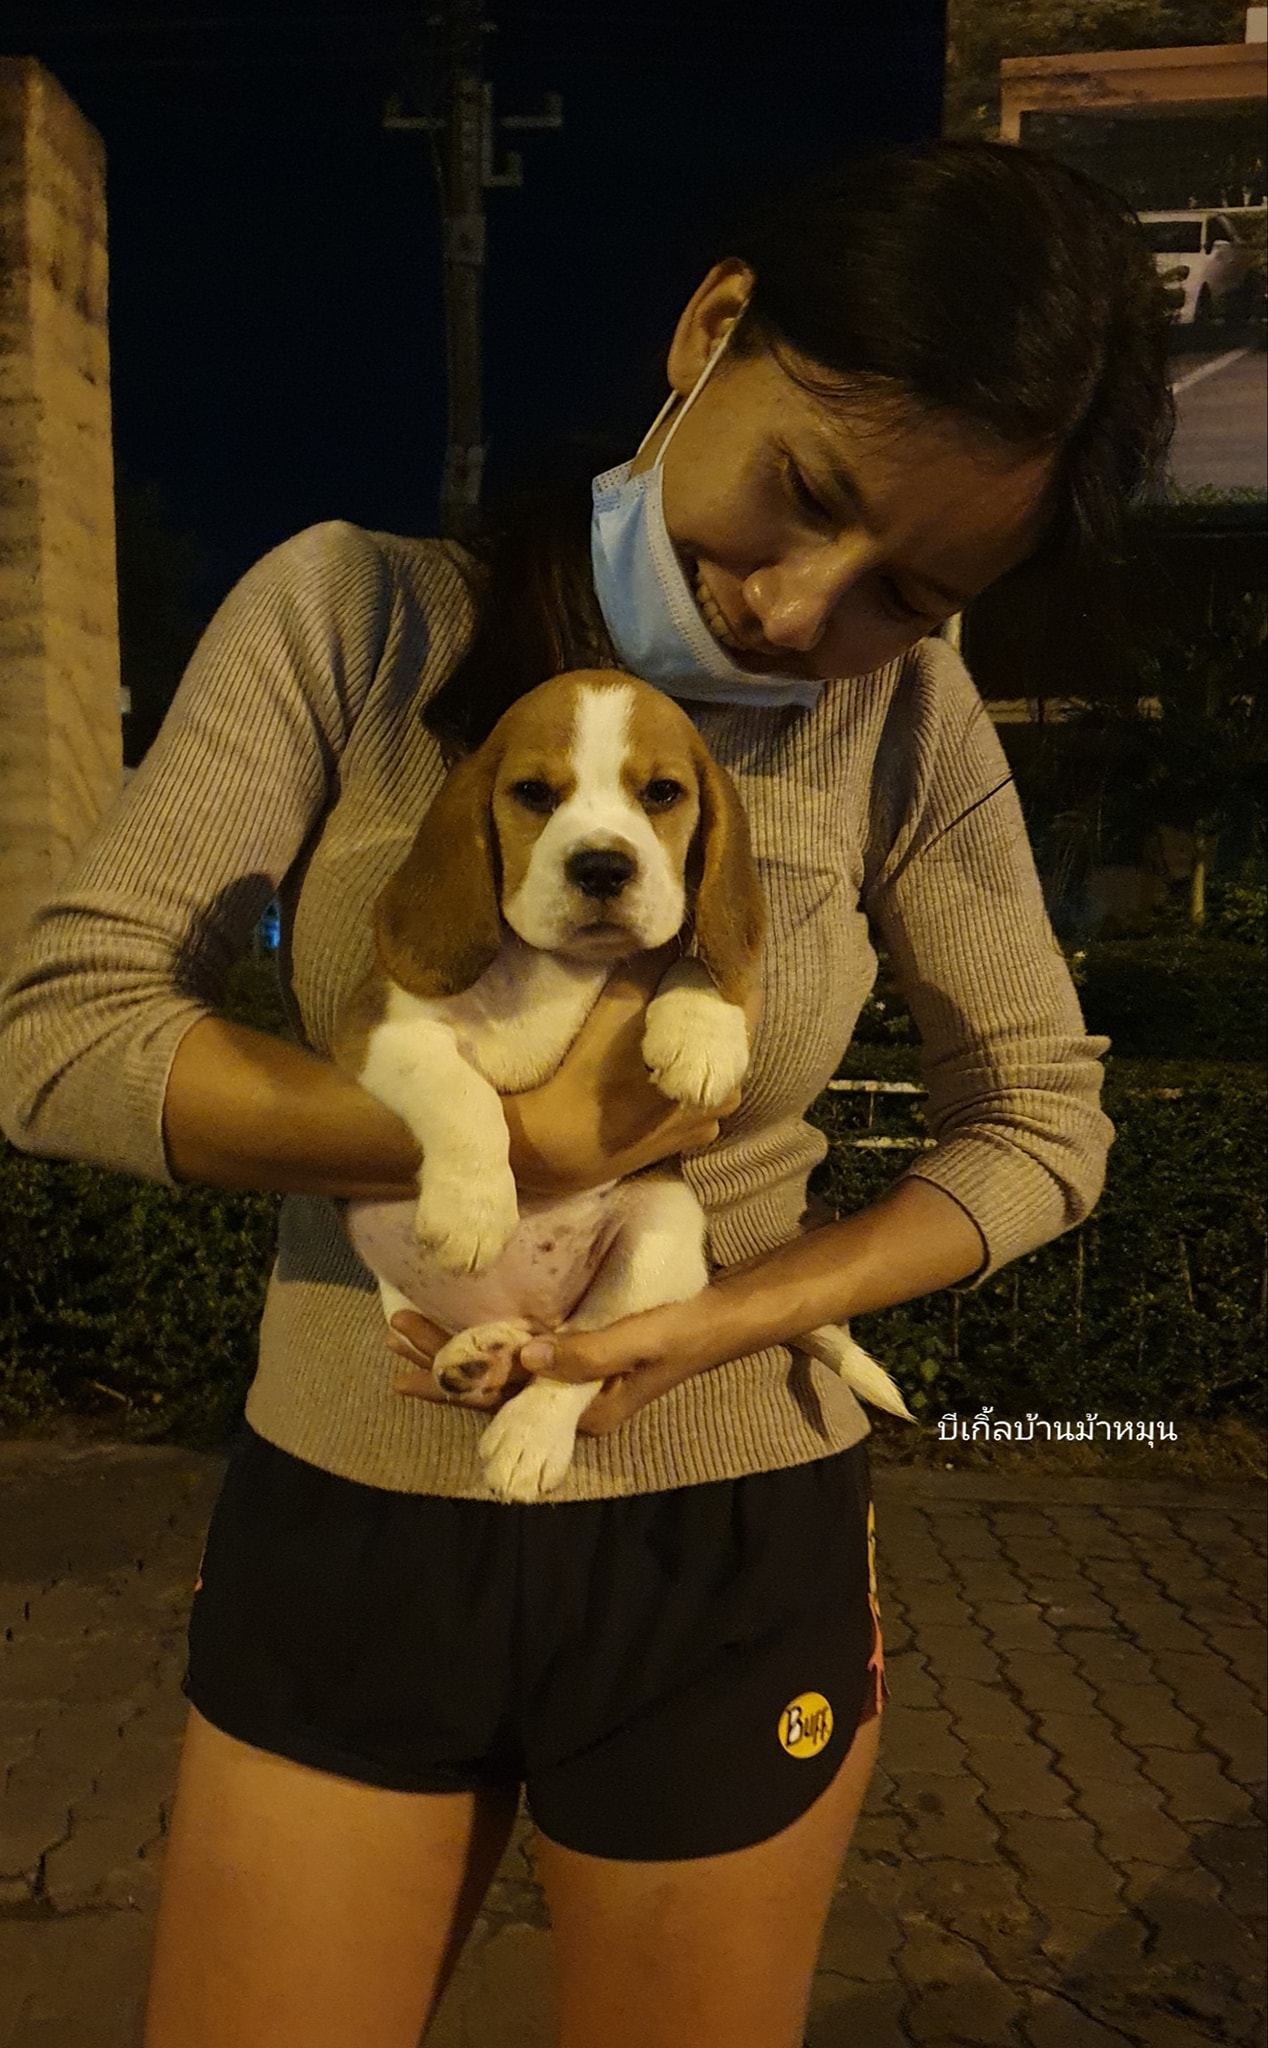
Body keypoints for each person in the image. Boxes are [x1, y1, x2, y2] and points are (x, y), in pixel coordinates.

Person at [0, 139, 1172, 2048]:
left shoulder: (904, 722)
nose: (798, 612)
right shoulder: (357, 619)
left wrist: (724, 1318)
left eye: (910, 592)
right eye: (808, 494)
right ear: (714, 330)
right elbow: (62, 1032)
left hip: (721, 1535)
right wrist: (475, 1134)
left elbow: (1045, 1118)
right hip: (358, 1505)